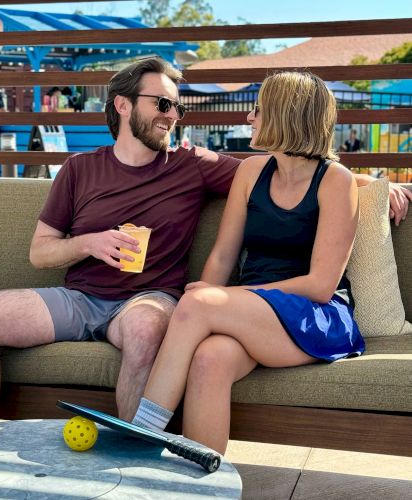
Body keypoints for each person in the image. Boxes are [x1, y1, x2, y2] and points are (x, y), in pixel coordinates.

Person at [0, 59, 411, 428]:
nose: (173, 116)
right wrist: (89, 243)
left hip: (193, 302)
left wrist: (374, 187)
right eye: (163, 104)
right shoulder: (79, 168)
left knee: (163, 320)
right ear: (124, 105)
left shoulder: (194, 163)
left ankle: (142, 437)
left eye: (177, 108)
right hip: (84, 296)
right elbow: (42, 252)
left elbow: (311, 182)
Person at [131, 71, 367, 454]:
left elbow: (322, 284)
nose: (249, 118)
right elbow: (223, 255)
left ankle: (142, 434)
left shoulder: (335, 181)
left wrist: (222, 300)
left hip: (315, 315)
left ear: (284, 115)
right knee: (210, 359)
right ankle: (204, 486)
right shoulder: (251, 171)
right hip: (253, 312)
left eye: (257, 110)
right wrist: (212, 301)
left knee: (197, 302)